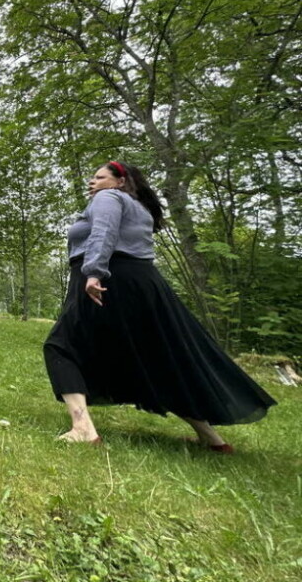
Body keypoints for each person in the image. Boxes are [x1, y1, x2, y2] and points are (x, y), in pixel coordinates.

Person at [43, 161, 277, 449]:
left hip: (106, 277)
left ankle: (82, 428)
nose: (92, 182)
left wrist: (93, 272)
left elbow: (104, 234)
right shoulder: (139, 208)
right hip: (143, 281)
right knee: (156, 357)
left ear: (120, 181)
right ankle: (211, 438)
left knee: (60, 345)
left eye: (100, 177)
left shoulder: (109, 198)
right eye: (91, 178)